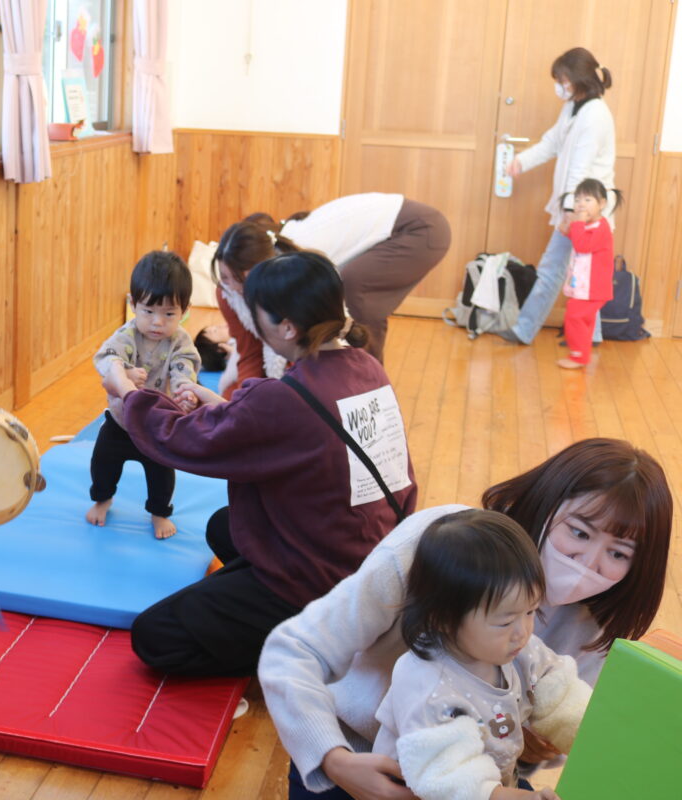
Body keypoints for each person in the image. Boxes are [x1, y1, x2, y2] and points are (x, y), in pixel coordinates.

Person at [260, 438, 672, 800]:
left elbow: (568, 723)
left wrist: (533, 744)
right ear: (547, 503)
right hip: (361, 757)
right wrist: (333, 758)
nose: (588, 563)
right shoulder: (439, 547)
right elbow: (295, 649)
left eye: (618, 554)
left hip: (476, 780)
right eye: (579, 533)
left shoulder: (592, 626)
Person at [101, 251, 417, 677]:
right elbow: (271, 424)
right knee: (223, 526)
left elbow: (185, 439)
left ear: (287, 327)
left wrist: (127, 392)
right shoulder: (366, 366)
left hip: (322, 577)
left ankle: (312, 641)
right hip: (374, 555)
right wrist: (219, 402)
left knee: (155, 636)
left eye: (258, 314)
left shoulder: (284, 401)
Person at [374, 509, 590, 800]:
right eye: (504, 621)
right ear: (444, 619)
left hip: (497, 784)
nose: (523, 632)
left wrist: (600, 740)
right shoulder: (428, 686)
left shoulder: (519, 650)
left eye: (530, 612)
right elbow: (451, 779)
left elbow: (561, 698)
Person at [214, 195, 450, 385]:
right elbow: (250, 354)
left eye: (241, 281)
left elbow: (305, 344)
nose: (234, 289)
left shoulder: (297, 269)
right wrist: (247, 399)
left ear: (263, 267)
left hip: (419, 229)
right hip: (400, 225)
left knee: (355, 292)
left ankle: (366, 385)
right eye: (225, 278)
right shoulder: (228, 291)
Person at [504, 47, 615, 346]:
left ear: (577, 79)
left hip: (585, 211)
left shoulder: (596, 116)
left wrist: (570, 212)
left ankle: (524, 330)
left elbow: (580, 168)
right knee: (584, 272)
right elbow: (551, 143)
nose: (560, 86)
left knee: (553, 269)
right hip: (578, 207)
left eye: (562, 79)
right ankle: (592, 336)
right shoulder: (573, 107)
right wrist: (521, 162)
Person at [87, 251, 201, 540]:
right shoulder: (126, 336)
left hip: (156, 424)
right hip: (121, 420)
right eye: (148, 311)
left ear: (184, 311)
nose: (157, 322)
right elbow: (108, 359)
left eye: (169, 314)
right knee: (103, 461)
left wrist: (184, 390)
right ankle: (103, 499)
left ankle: (159, 512)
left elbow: (183, 367)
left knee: (162, 472)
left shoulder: (180, 341)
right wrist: (124, 372)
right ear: (132, 305)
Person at [558, 179, 621, 370]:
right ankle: (582, 355)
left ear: (601, 204)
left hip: (593, 288)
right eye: (577, 200)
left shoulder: (601, 227)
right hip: (585, 286)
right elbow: (581, 240)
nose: (581, 205)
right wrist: (568, 231)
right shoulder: (589, 225)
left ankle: (578, 357)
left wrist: (576, 225)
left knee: (574, 317)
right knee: (584, 320)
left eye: (587, 200)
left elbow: (583, 246)